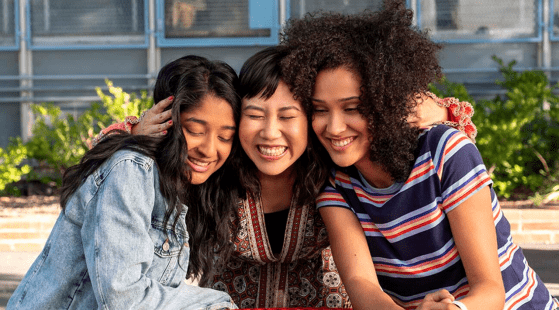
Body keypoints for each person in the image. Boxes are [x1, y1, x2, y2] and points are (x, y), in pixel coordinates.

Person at [97, 46, 461, 308]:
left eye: (288, 116)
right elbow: (101, 176)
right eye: (255, 115)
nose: (270, 133)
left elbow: (438, 150)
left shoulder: (335, 172)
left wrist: (439, 107)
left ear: (311, 119)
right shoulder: (212, 168)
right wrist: (138, 134)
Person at [279, 1, 559, 310]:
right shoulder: (335, 182)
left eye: (353, 108)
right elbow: (363, 287)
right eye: (319, 110)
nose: (333, 127)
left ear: (386, 102)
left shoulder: (446, 153)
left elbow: (491, 291)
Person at [7, 55, 240, 310]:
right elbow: (123, 297)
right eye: (195, 131)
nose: (209, 149)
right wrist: (217, 303)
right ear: (165, 119)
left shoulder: (186, 187)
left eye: (225, 137)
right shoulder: (131, 170)